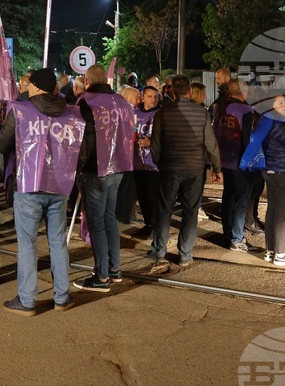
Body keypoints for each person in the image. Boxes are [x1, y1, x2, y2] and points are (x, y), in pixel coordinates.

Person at [0, 68, 85, 315]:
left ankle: (27, 300)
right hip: (60, 185)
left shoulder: (21, 111)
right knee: (58, 242)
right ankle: (62, 297)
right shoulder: (72, 114)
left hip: (28, 185)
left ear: (34, 86)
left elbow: (1, 144)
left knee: (28, 244)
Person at [148, 74, 222, 267]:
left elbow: (155, 144)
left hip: (170, 167)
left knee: (165, 210)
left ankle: (159, 251)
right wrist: (216, 167)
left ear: (171, 91)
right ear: (190, 91)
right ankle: (185, 255)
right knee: (190, 211)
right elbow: (210, 144)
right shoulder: (202, 113)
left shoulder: (162, 113)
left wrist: (159, 162)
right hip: (195, 168)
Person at [74, 64, 136, 292]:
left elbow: (82, 137)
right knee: (110, 218)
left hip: (95, 169)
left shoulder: (86, 101)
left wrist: (79, 167)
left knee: (97, 223)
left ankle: (101, 277)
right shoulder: (122, 102)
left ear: (87, 81)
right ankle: (114, 269)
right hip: (119, 167)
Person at [246, 95, 285, 266]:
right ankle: (280, 254)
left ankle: (271, 251)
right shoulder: (275, 122)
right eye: (280, 103)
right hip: (281, 170)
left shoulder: (264, 120)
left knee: (272, 211)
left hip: (270, 170)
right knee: (281, 214)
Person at [213, 79, 257, 251]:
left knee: (228, 196)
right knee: (241, 199)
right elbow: (247, 139)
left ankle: (228, 232)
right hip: (240, 160)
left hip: (224, 158)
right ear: (243, 92)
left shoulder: (220, 109)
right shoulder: (247, 110)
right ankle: (237, 238)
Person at [132, 86, 161, 230]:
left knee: (152, 194)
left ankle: (156, 224)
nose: (153, 99)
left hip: (154, 163)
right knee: (141, 194)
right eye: (150, 96)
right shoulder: (134, 113)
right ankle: (148, 222)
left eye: (155, 96)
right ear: (142, 98)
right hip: (137, 161)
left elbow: (166, 136)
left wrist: (151, 142)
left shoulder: (161, 114)